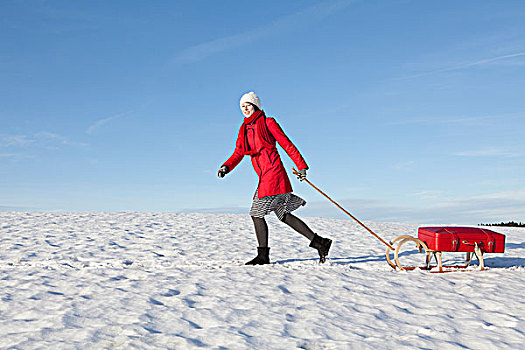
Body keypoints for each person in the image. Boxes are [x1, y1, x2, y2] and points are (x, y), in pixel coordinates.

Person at [218, 91, 332, 265]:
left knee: (256, 213)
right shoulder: (244, 129)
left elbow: (286, 143)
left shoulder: (267, 122)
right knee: (283, 214)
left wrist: (301, 166)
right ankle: (320, 242)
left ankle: (263, 255)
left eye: (248, 105)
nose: (245, 109)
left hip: (274, 174)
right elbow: (239, 152)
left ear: (256, 105)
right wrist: (227, 166)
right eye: (242, 106)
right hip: (265, 176)